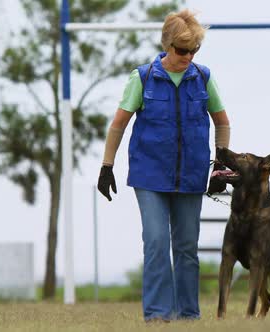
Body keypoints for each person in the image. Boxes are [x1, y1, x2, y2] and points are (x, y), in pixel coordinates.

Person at [97, 9, 230, 322]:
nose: (188, 56)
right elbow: (118, 125)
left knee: (186, 247)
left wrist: (220, 162)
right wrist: (107, 166)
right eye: (182, 50)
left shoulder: (203, 78)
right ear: (167, 44)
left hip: (191, 175)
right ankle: (158, 315)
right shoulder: (143, 78)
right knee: (156, 242)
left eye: (194, 50)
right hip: (149, 175)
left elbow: (222, 123)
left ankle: (188, 315)